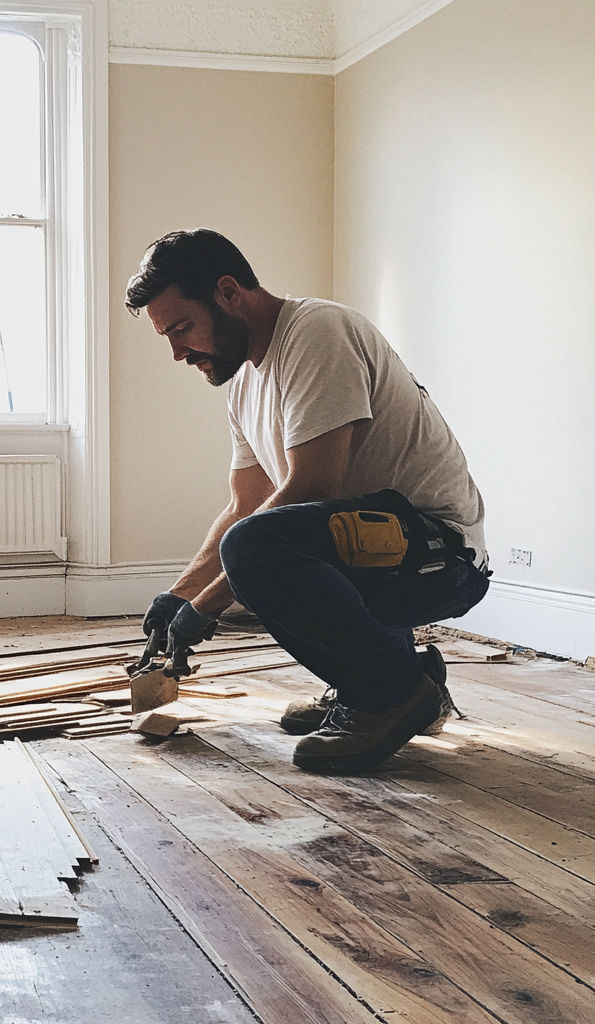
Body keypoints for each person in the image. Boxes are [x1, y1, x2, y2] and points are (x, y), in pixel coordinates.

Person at [126, 228, 490, 773]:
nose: (178, 352)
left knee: (257, 551)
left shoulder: (317, 332)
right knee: (252, 541)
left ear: (228, 292)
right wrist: (178, 595)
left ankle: (390, 693)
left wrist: (207, 607)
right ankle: (390, 678)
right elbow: (244, 504)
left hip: (443, 557)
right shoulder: (244, 384)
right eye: (168, 337)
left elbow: (315, 487)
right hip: (381, 549)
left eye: (182, 328)